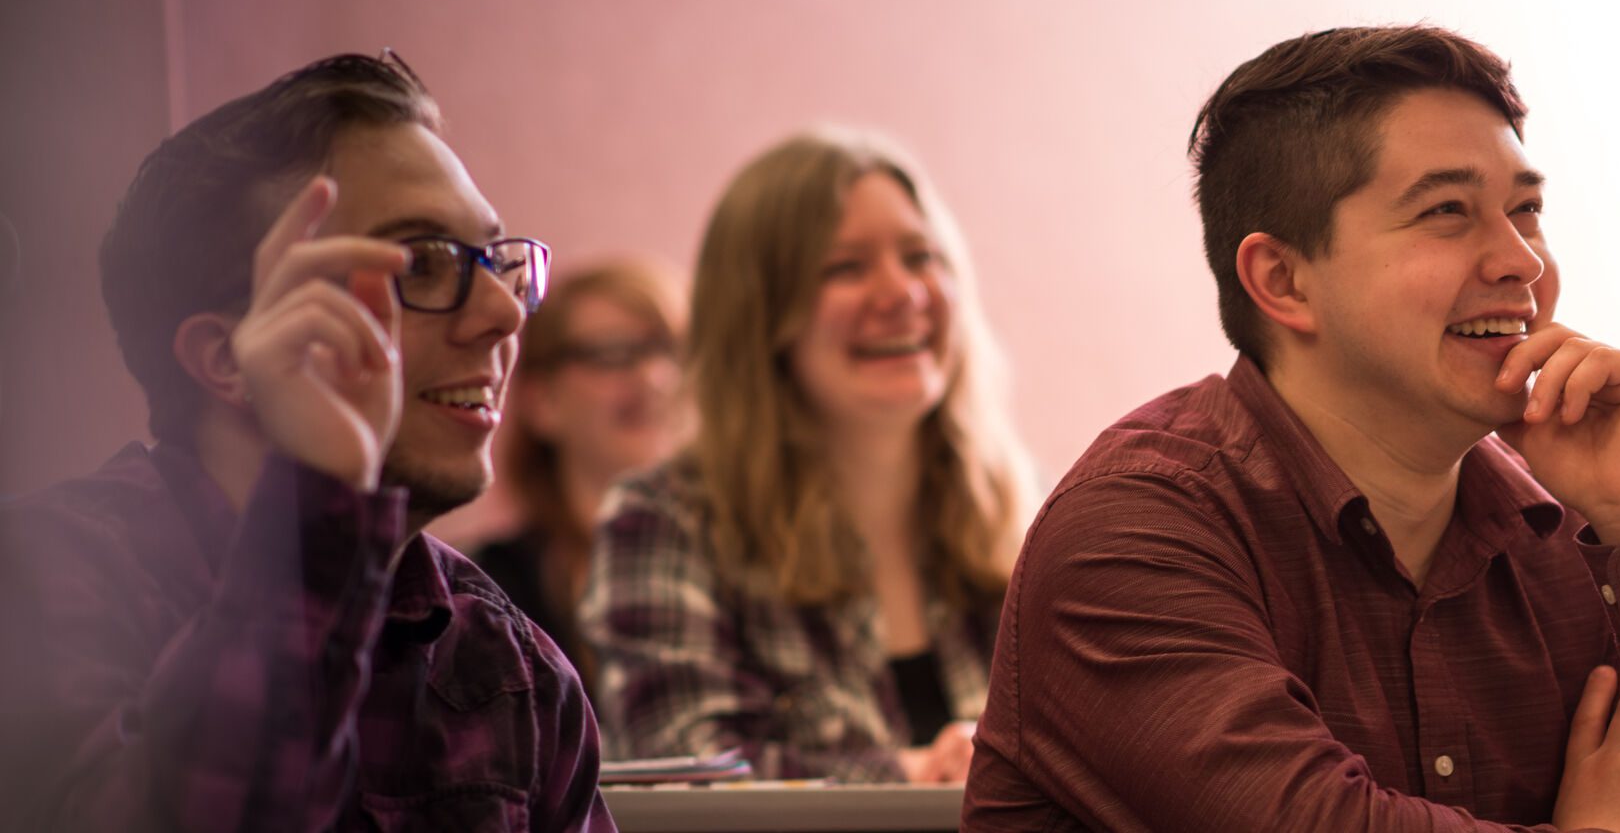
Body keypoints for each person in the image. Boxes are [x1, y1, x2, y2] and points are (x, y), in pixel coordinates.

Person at [961, 25, 1620, 832]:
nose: (1522, 261)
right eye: (1448, 213)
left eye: (1527, 209)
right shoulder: (1133, 531)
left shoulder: (1567, 537)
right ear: (1283, 281)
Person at [0, 53, 615, 831]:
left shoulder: (508, 664)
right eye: (422, 263)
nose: (505, 313)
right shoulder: (39, 580)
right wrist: (318, 503)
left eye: (498, 261)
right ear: (227, 360)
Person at [580, 129, 1029, 784]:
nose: (901, 293)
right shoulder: (666, 522)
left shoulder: (1029, 516)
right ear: (760, 316)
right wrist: (909, 776)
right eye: (845, 267)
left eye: (920, 256)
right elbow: (690, 782)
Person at [474, 259, 690, 692]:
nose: (654, 378)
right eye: (613, 355)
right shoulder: (489, 594)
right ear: (542, 402)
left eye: (669, 350)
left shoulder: (751, 564)